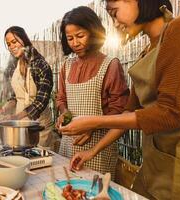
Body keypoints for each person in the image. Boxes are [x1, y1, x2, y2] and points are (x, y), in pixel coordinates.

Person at [60, 1, 180, 199]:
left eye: (115, 13)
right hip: (155, 164)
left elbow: (170, 113)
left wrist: (94, 121)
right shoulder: (147, 52)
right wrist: (92, 151)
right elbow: (128, 114)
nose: (115, 24)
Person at [56, 6, 129, 178]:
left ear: (94, 32)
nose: (75, 43)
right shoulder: (66, 67)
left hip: (98, 149)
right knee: (67, 189)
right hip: (68, 144)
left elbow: (119, 113)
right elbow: (61, 99)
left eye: (80, 36)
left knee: (93, 191)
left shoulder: (110, 65)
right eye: (70, 38)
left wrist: (91, 127)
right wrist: (64, 114)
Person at [0, 26, 54, 148]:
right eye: (9, 44)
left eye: (14, 42)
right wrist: (4, 109)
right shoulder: (14, 66)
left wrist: (15, 117)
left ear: (24, 40)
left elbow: (40, 103)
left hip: (39, 126)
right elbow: (15, 97)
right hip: (20, 126)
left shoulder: (40, 65)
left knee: (39, 161)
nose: (12, 46)